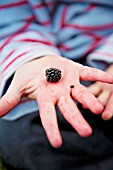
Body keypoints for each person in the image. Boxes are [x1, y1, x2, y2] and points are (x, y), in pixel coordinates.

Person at [0, 0, 113, 169]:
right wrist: (35, 58)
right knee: (24, 136)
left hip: (106, 52)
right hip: (38, 54)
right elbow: (10, 25)